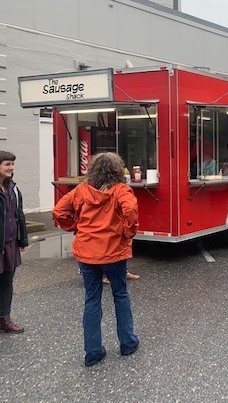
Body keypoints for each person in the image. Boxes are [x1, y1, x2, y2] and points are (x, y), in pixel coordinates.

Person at [53, 152, 140, 366]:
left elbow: (58, 211)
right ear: (117, 170)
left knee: (92, 299)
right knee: (120, 294)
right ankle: (127, 343)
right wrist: (127, 233)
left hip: (87, 252)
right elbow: (130, 210)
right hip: (113, 251)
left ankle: (93, 352)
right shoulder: (121, 190)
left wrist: (75, 228)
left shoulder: (81, 190)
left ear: (93, 170)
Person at [0, 151, 29, 334]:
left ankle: (5, 319)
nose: (11, 168)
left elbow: (19, 215)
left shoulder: (13, 188)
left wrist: (22, 239)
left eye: (12, 164)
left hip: (9, 243)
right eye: (7, 164)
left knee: (7, 283)